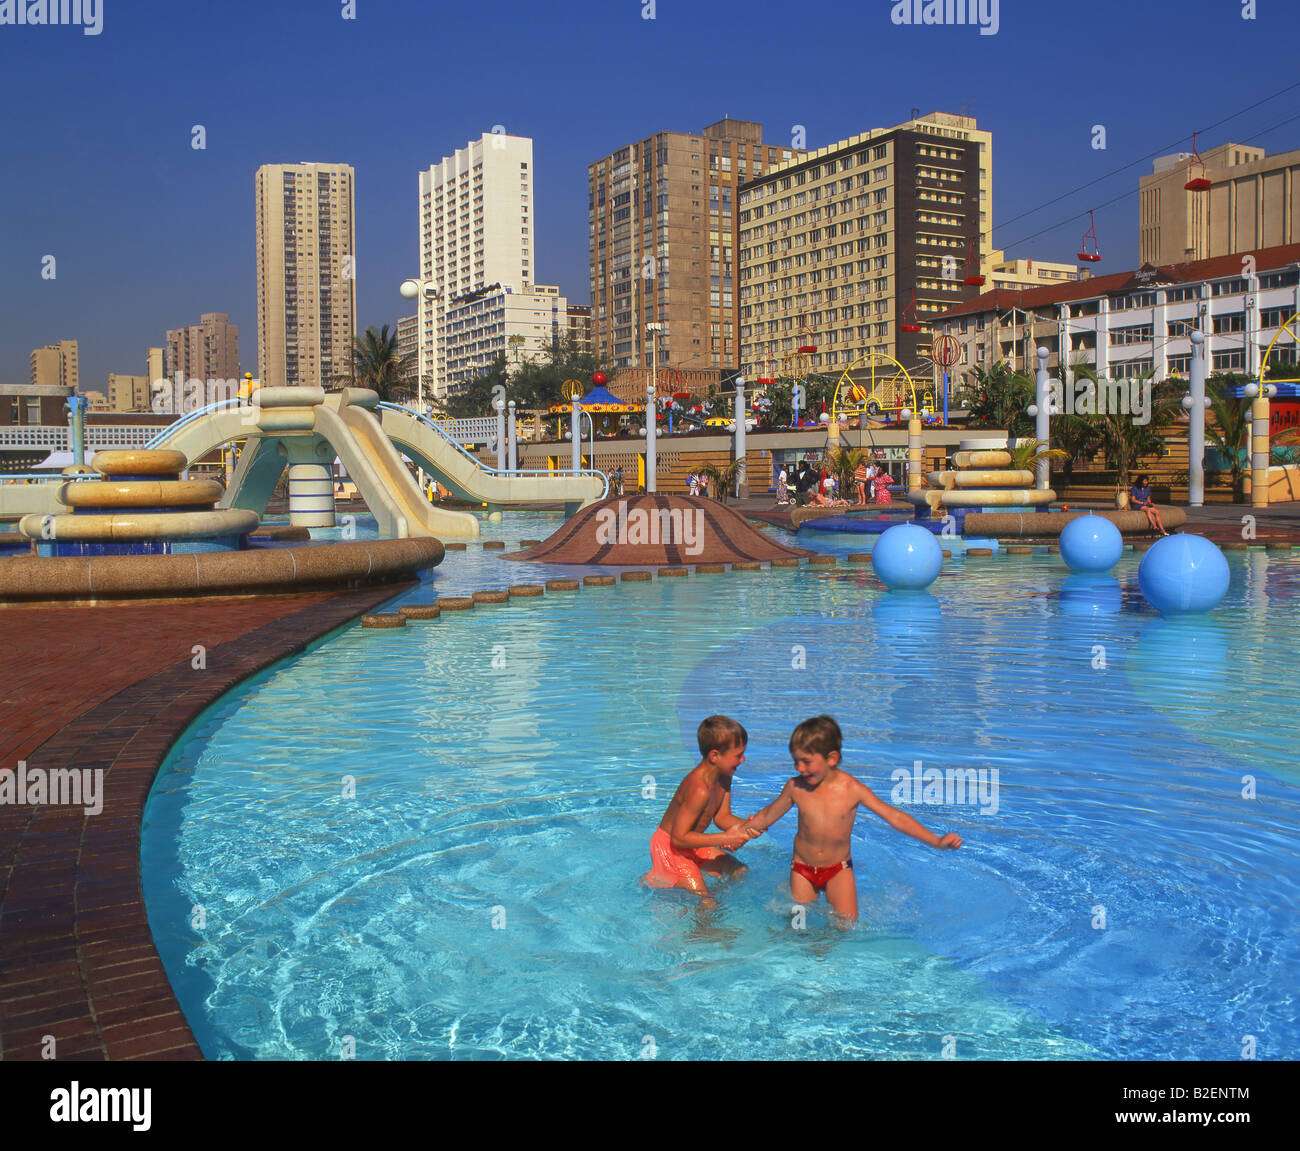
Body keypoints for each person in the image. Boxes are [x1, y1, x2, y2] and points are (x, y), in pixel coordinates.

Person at [742, 716, 961, 921]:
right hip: (801, 870)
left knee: (845, 927)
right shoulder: (795, 787)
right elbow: (768, 816)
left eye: (806, 762)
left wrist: (936, 841)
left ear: (832, 758)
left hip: (838, 870)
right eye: (796, 762)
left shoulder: (852, 789)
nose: (800, 768)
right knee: (799, 926)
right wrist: (739, 832)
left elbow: (895, 817)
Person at [643, 716, 761, 900]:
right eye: (738, 755)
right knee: (706, 901)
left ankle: (662, 880)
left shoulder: (724, 776)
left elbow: (722, 817)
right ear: (715, 756)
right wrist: (727, 837)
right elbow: (678, 839)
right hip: (670, 847)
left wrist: (750, 826)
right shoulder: (699, 789)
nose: (743, 759)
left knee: (739, 871)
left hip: (693, 843)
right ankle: (660, 882)